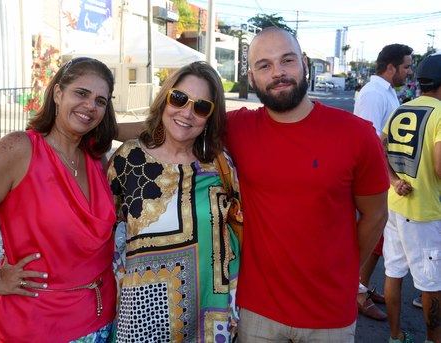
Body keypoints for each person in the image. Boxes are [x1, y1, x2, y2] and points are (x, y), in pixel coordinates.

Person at [116, 28, 390, 342]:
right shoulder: (237, 128)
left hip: (329, 315)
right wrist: (95, 129)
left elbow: (376, 216)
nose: (278, 72)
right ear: (251, 76)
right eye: (265, 65)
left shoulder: (356, 135)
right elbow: (172, 124)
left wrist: (342, 269)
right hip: (257, 311)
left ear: (303, 63)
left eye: (287, 60)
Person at [0, 57, 119, 342]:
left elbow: (147, 131)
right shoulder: (20, 150)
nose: (90, 106)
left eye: (100, 101)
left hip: (101, 319)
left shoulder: (96, 157)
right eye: (81, 93)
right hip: (36, 326)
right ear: (57, 93)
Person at [107, 61, 241, 342]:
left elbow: (238, 229)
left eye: (201, 107)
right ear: (165, 98)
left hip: (208, 321)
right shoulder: (128, 159)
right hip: (141, 320)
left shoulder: (219, 165)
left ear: (210, 118)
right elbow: (99, 230)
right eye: (179, 99)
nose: (187, 113)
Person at [381, 53, 441, 343]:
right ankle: (433, 339)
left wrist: (393, 180)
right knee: (431, 283)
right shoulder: (440, 113)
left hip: (395, 206)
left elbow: (379, 146)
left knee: (393, 272)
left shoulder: (401, 109)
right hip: (425, 213)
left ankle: (396, 336)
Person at [353, 43, 413, 321]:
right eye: (406, 67)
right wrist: (391, 179)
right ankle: (356, 293)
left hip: (384, 178)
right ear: (391, 68)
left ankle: (361, 287)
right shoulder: (373, 93)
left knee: (378, 240)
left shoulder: (387, 91)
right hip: (373, 179)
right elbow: (370, 141)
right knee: (367, 235)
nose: (409, 73)